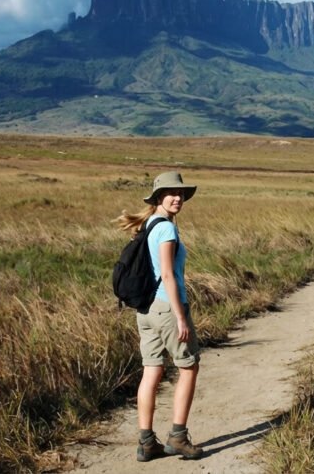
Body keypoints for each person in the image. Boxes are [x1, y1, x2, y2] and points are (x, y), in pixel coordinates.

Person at [116, 171, 203, 462]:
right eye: (171, 193)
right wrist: (180, 316)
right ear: (158, 197)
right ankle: (178, 437)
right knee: (189, 367)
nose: (177, 198)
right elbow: (167, 274)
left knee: (152, 370)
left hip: (146, 310)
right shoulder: (165, 228)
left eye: (180, 194)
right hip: (167, 307)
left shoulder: (149, 224)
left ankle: (146, 442)